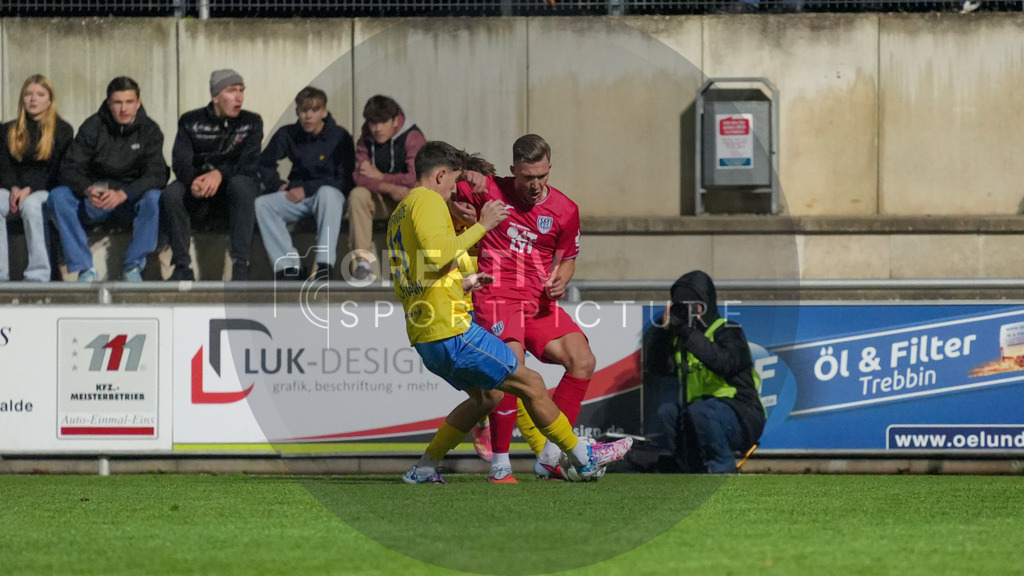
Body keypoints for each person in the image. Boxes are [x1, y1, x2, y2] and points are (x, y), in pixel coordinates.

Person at [388, 140, 631, 484]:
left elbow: (422, 272)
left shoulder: (398, 214)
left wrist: (466, 281)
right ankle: (575, 456)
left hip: (425, 335)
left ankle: (424, 468)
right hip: (452, 329)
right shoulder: (429, 199)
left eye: (542, 175)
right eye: (452, 183)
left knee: (487, 398)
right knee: (530, 382)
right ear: (441, 175)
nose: (453, 193)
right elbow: (440, 253)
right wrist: (482, 225)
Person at [455, 134, 595, 483]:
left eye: (542, 176)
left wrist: (561, 279)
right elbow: (439, 178)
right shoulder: (490, 189)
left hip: (538, 301)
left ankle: (551, 454)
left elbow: (568, 259)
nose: (535, 185)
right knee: (511, 366)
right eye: (527, 177)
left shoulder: (566, 209)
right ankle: (501, 463)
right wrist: (460, 192)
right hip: (498, 295)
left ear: (550, 168)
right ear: (513, 170)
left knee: (583, 360)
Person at [47, 76, 167, 282]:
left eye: (129, 102)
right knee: (58, 196)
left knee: (154, 198)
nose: (124, 109)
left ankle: (133, 267)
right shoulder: (92, 126)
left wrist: (124, 193)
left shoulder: (150, 130)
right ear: (109, 103)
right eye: (118, 102)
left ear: (138, 103)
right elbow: (68, 168)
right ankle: (84, 268)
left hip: (129, 202)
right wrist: (87, 189)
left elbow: (157, 174)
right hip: (95, 201)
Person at [646, 270, 766, 473]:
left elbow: (726, 363)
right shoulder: (679, 339)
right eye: (680, 307)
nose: (686, 312)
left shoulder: (728, 330)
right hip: (699, 415)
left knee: (701, 410)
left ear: (704, 306)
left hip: (742, 413)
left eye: (692, 306)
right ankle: (690, 473)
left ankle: (723, 471)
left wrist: (688, 333)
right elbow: (657, 368)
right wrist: (663, 331)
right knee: (668, 412)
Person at [162, 69, 263, 281]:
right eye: (232, 91)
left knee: (243, 184)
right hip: (200, 192)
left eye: (241, 90)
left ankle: (240, 266)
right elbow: (180, 161)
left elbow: (249, 164)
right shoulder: (190, 121)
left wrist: (219, 174)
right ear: (215, 96)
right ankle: (182, 266)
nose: (239, 97)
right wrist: (193, 182)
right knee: (172, 192)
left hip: (232, 196)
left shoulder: (251, 122)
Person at [255, 86, 354, 281]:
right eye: (303, 110)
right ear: (297, 112)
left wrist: (307, 189)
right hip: (299, 197)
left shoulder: (339, 136)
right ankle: (288, 267)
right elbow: (263, 163)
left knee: (327, 194)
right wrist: (278, 185)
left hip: (330, 199)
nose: (308, 116)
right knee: (263, 204)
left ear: (324, 112)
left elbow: (345, 178)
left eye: (314, 110)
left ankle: (324, 266)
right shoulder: (288, 133)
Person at [0, 74, 74, 282]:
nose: (33, 99)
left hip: (44, 190)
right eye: (28, 94)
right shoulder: (8, 130)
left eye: (40, 94)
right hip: (13, 189)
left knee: (31, 205)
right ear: (22, 99)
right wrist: (14, 188)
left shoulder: (62, 130)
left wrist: (29, 189)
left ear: (49, 100)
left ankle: (38, 273)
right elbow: (4, 167)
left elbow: (57, 171)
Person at [348, 95, 425, 280]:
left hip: (406, 201)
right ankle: (363, 264)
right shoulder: (366, 138)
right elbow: (359, 176)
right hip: (381, 198)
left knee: (416, 195)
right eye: (373, 123)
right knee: (357, 195)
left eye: (383, 122)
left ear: (395, 120)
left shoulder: (412, 137)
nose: (377, 129)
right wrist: (388, 186)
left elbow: (415, 177)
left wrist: (381, 176)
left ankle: (412, 268)